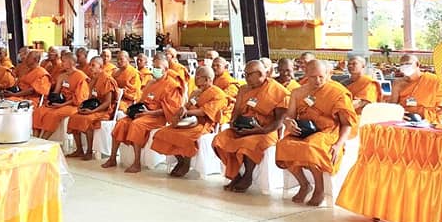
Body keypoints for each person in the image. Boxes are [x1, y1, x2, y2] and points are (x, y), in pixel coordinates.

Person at [276, 60, 357, 206]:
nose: (318, 81)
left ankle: (320, 189)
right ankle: (304, 184)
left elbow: (346, 124)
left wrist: (338, 145)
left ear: (328, 74)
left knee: (311, 146)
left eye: (321, 77)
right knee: (283, 145)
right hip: (305, 130)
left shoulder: (337, 93)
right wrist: (288, 123)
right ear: (306, 74)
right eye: (313, 77)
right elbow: (290, 116)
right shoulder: (297, 93)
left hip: (329, 131)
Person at [212, 59, 289, 193]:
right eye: (245, 74)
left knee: (247, 144)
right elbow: (236, 111)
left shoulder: (278, 91)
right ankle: (235, 174)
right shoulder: (243, 89)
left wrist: (261, 130)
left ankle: (248, 175)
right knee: (219, 140)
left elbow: (279, 121)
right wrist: (234, 123)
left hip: (266, 131)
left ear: (260, 74)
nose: (246, 78)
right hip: (243, 127)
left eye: (249, 75)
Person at [103, 52, 184, 173]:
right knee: (121, 123)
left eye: (158, 68)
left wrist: (148, 113)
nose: (155, 70)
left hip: (157, 117)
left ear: (166, 69)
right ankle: (112, 158)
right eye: (154, 67)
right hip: (143, 113)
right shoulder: (151, 83)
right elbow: (142, 100)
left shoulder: (172, 85)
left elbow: (171, 109)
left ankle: (137, 163)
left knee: (137, 125)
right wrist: (135, 110)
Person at [151, 65, 228, 178]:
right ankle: (180, 160)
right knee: (162, 133)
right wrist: (182, 110)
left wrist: (187, 112)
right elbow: (187, 105)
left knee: (186, 137)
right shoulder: (196, 92)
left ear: (207, 79)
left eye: (198, 77)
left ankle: (186, 163)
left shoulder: (218, 94)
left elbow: (204, 112)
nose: (195, 79)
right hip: (187, 122)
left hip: (204, 124)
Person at [67, 56, 118, 159]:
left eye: (93, 65)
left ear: (101, 67)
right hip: (94, 107)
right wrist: (83, 107)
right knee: (73, 117)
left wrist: (92, 111)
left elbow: (107, 102)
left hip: (105, 111)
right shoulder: (94, 79)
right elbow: (89, 97)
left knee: (87, 120)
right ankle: (79, 150)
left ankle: (89, 151)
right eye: (90, 65)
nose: (90, 67)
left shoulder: (107, 80)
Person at [32, 51, 90, 139]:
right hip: (61, 102)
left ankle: (43, 140)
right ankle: (36, 139)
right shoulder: (62, 76)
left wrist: (61, 105)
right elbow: (56, 92)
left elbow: (79, 99)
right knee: (39, 111)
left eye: (63, 61)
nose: (61, 63)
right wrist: (50, 102)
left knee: (54, 114)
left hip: (73, 105)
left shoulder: (81, 76)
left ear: (71, 63)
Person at [389, 53, 442, 123]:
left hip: (428, 121)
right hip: (405, 120)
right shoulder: (398, 83)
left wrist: (440, 114)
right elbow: (392, 106)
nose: (404, 67)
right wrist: (398, 115)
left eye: (408, 63)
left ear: (417, 64)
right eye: (401, 65)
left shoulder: (433, 80)